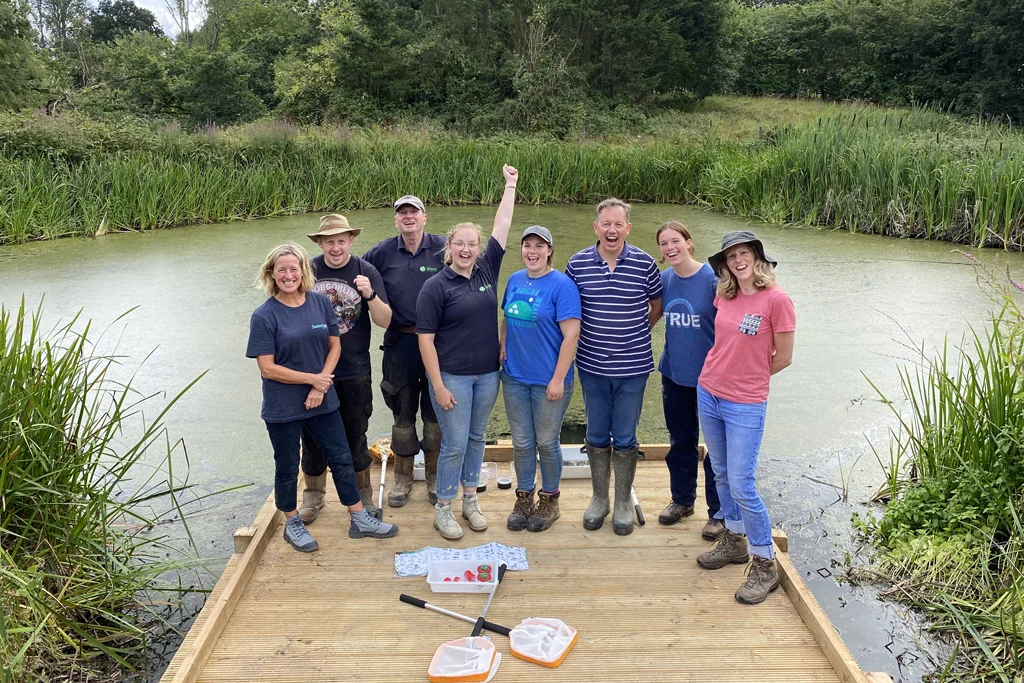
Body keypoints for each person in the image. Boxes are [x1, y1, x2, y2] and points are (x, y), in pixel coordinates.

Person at [246, 243, 398, 553]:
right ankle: (292, 522)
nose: (289, 275)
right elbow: (267, 368)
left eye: (294, 268)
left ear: (303, 270)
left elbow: (334, 347)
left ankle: (359, 516)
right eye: (282, 269)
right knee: (287, 465)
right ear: (271, 274)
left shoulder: (319, 303)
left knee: (342, 457)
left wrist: (319, 386)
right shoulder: (264, 315)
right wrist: (311, 380)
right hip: (283, 406)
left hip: (323, 399)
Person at [416, 165, 518, 540]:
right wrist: (438, 385)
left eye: (471, 243)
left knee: (477, 439)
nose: (465, 249)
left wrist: (510, 185)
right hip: (453, 378)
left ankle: (470, 499)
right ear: (449, 247)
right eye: (458, 243)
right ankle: (444, 506)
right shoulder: (435, 286)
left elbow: (503, 224)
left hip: (487, 375)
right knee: (455, 443)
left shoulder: (487, 270)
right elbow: (425, 340)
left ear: (478, 247)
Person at [695, 230, 795, 605]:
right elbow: (725, 343)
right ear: (725, 264)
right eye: (731, 256)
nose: (738, 260)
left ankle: (765, 562)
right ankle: (734, 541)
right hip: (709, 392)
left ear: (756, 257)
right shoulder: (725, 293)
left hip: (746, 404)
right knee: (719, 472)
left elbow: (783, 357)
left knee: (743, 483)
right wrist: (722, 376)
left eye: (744, 253)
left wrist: (748, 378)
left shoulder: (777, 299)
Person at [566, 198, 663, 536]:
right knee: (594, 433)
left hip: (634, 366)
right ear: (596, 227)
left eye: (618, 224)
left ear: (628, 228)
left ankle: (622, 502)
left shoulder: (645, 263)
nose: (612, 230)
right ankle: (599, 499)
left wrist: (632, 334)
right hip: (591, 364)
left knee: (625, 436)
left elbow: (655, 306)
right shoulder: (577, 264)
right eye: (606, 224)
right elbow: (568, 312)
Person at [297, 215, 392, 524]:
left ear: (351, 240)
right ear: (320, 243)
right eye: (329, 241)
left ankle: (361, 494)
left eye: (341, 240)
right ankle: (313, 495)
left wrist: (370, 295)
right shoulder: (307, 271)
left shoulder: (366, 271)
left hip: (353, 369)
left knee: (356, 434)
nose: (335, 247)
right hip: (311, 370)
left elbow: (385, 320)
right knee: (311, 436)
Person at [363, 196, 447, 507]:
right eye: (403, 213)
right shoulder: (381, 252)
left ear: (425, 217)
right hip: (399, 342)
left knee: (437, 411)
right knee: (402, 412)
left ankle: (435, 476)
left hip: (439, 343)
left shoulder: (444, 247)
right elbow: (350, 271)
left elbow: (472, 275)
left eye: (414, 212)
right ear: (396, 220)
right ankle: (403, 477)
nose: (408, 217)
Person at [499, 225, 581, 532]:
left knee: (546, 443)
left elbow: (571, 335)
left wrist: (558, 378)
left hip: (549, 379)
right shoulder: (514, 280)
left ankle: (549, 501)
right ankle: (523, 498)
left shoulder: (562, 285)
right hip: (515, 378)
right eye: (527, 246)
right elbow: (506, 316)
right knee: (521, 443)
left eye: (539, 246)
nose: (532, 252)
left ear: (549, 251)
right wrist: (503, 344)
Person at [651, 221, 724, 539]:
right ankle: (682, 501)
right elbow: (648, 318)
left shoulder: (713, 280)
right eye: (664, 243)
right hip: (674, 373)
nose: (670, 247)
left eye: (675, 241)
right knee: (680, 442)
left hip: (711, 378)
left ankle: (718, 513)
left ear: (689, 243)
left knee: (715, 449)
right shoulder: (664, 280)